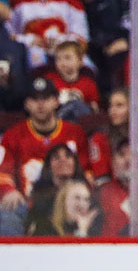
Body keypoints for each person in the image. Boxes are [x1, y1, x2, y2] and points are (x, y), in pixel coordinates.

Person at [0, 77, 88, 235]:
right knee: (8, 213)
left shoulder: (75, 132)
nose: (40, 104)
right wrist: (9, 190)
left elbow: (86, 171)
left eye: (46, 98)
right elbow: (3, 172)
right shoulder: (12, 135)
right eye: (34, 99)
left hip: (68, 202)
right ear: (27, 104)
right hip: (28, 203)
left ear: (56, 101)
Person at [6, 0, 90, 68]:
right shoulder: (17, 1)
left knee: (87, 66)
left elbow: (82, 37)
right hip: (27, 57)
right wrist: (30, 40)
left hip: (65, 52)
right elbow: (9, 36)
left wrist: (62, 41)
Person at [24, 143, 87, 235]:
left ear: (75, 163)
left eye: (68, 156)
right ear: (49, 166)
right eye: (56, 157)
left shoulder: (87, 193)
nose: (63, 160)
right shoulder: (39, 199)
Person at [44, 39, 100, 118]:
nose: (62, 62)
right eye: (58, 59)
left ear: (80, 61)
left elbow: (94, 109)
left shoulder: (89, 84)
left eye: (67, 58)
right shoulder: (49, 80)